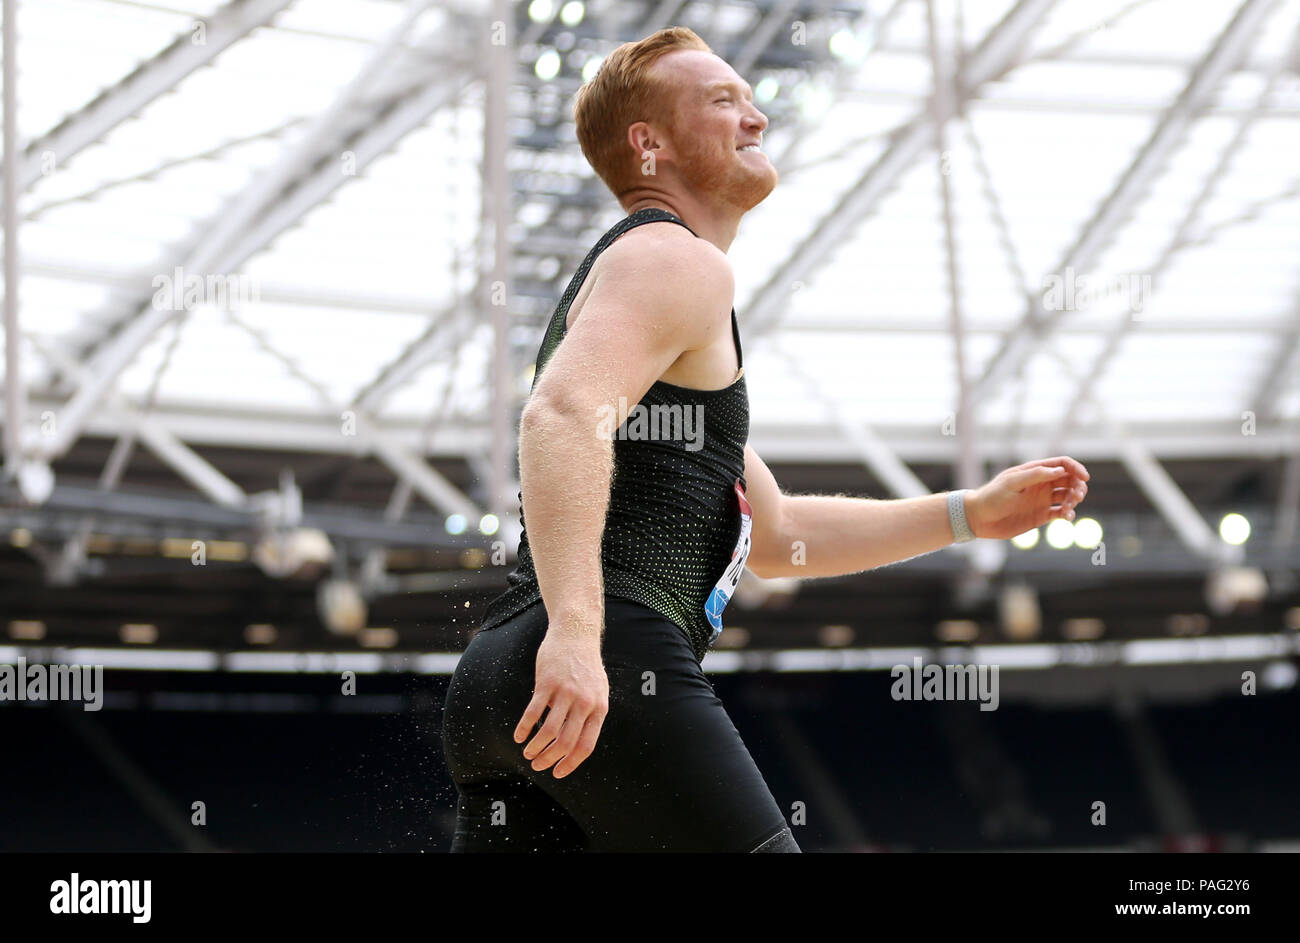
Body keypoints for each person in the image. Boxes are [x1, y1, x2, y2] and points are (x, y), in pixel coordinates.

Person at [441, 26, 1090, 852]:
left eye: (751, 100)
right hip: (603, 655)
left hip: (503, 683)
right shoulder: (677, 262)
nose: (757, 119)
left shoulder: (647, 302)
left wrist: (969, 514)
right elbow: (560, 418)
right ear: (650, 144)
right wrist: (577, 631)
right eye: (723, 101)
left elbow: (778, 536)